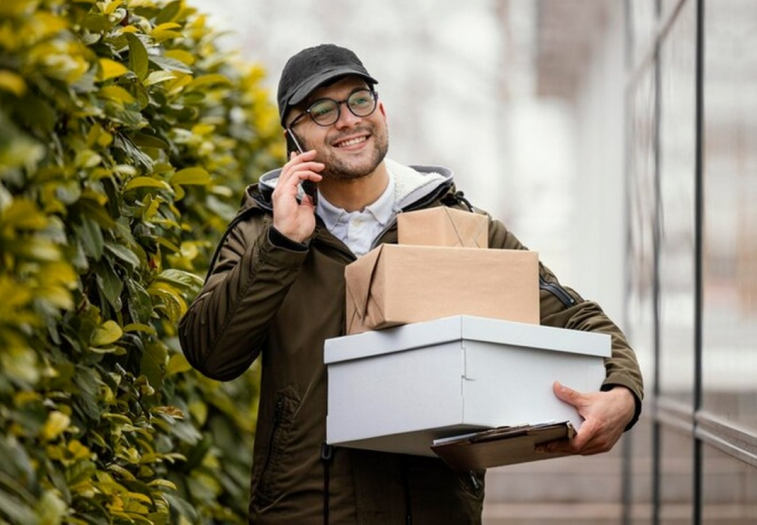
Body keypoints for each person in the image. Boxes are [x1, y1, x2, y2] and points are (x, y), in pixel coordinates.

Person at [179, 43, 644, 524]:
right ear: (292, 138)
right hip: (305, 513)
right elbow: (210, 354)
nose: (347, 119)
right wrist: (282, 245)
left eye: (359, 99)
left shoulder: (460, 227)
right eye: (321, 110)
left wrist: (623, 394)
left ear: (380, 109)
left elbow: (576, 316)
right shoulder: (263, 232)